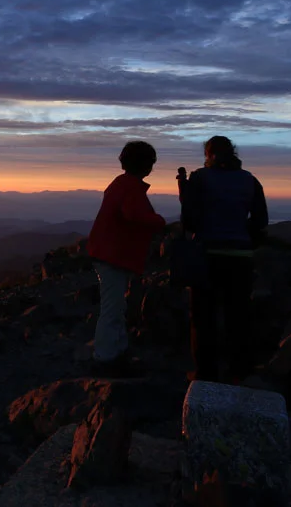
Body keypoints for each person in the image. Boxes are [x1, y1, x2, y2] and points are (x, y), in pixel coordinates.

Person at [180, 136, 268, 385]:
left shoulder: (199, 178)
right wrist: (242, 236)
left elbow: (189, 221)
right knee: (238, 315)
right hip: (240, 256)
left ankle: (205, 374)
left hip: (206, 254)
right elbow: (260, 220)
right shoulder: (250, 180)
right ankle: (240, 370)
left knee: (202, 316)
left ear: (208, 154)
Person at [86, 141, 167, 377]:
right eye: (151, 162)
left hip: (108, 252)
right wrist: (159, 221)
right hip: (112, 254)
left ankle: (116, 351)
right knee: (112, 308)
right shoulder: (130, 187)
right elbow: (132, 214)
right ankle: (106, 358)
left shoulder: (121, 183)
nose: (152, 166)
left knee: (116, 306)